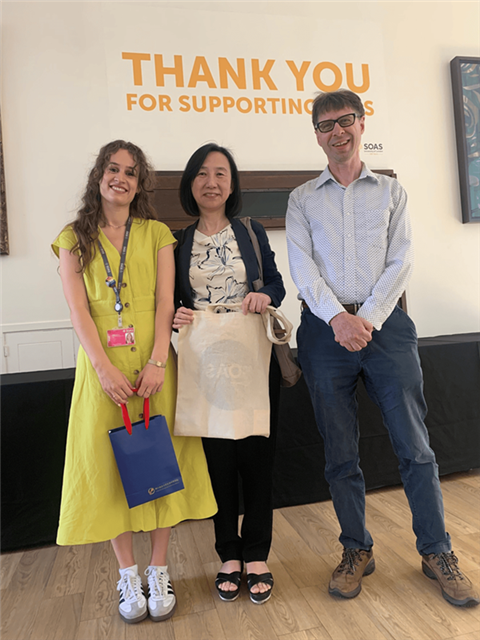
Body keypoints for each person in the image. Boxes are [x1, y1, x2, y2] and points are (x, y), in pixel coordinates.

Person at [286, 90, 479, 608]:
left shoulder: (391, 192)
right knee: (340, 453)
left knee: (415, 447)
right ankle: (356, 549)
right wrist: (339, 320)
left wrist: (364, 320)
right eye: (325, 125)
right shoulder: (303, 198)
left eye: (344, 121)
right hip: (325, 332)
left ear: (360, 122)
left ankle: (437, 551)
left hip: (386, 327)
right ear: (317, 134)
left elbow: (402, 262)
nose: (336, 132)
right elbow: (302, 269)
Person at [52, 140, 217, 624]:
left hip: (153, 363)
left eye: (130, 171)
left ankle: (159, 568)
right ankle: (128, 575)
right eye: (112, 168)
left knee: (161, 461)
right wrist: (103, 368)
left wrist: (158, 361)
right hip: (100, 367)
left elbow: (166, 302)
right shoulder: (71, 238)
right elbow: (78, 310)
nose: (120, 177)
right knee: (110, 466)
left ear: (141, 182)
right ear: (98, 176)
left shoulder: (158, 233)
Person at [173, 143, 285, 604]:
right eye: (202, 173)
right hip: (206, 364)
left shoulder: (252, 231)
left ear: (232, 184)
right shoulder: (177, 242)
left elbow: (276, 283)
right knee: (218, 461)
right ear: (190, 184)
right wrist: (176, 316)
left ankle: (257, 551)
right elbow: (171, 302)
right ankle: (228, 554)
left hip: (254, 359)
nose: (211, 182)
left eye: (221, 173)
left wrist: (265, 296)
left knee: (259, 457)